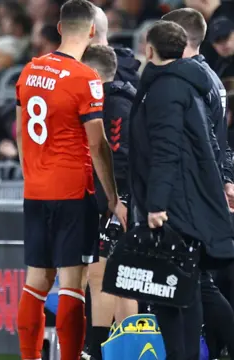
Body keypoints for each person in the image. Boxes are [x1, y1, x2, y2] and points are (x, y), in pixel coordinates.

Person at [14, 1, 128, 359]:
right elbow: (98, 143)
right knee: (72, 284)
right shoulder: (86, 78)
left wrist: (31, 171)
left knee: (35, 282)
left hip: (35, 191)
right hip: (72, 192)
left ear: (60, 28)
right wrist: (112, 198)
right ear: (92, 32)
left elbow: (21, 134)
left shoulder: (29, 71)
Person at [128, 20, 234, 360]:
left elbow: (166, 150)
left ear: (149, 50)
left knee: (175, 295)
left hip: (175, 207)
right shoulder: (180, 85)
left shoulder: (166, 89)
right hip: (184, 202)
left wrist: (156, 205)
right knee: (181, 293)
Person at [160, 9, 234, 360]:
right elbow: (218, 142)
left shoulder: (190, 80)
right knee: (197, 283)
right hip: (201, 192)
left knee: (194, 284)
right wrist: (225, 179)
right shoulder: (209, 77)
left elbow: (200, 142)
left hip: (189, 195)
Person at [80, 44, 137, 360]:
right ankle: (98, 348)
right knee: (99, 275)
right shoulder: (101, 102)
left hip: (119, 202)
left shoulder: (117, 104)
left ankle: (128, 348)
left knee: (123, 277)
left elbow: (121, 159)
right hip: (105, 200)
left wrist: (118, 201)